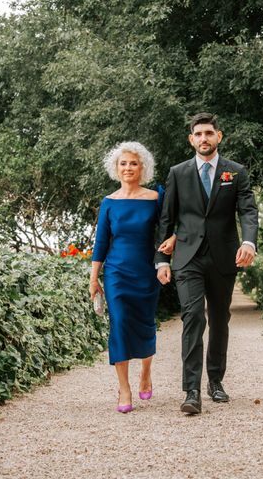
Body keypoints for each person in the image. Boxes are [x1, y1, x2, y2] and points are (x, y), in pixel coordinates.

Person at [155, 113, 258, 414]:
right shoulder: (178, 172)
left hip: (224, 256)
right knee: (193, 317)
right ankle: (191, 391)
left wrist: (249, 242)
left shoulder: (235, 172)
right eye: (198, 134)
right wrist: (162, 259)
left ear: (219, 137)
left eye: (209, 133)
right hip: (187, 256)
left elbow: (248, 211)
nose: (204, 139)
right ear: (191, 139)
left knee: (218, 319)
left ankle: (216, 380)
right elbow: (167, 217)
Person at [90, 142, 175, 413]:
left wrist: (172, 239)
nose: (128, 168)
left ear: (143, 168)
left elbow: (169, 226)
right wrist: (94, 279)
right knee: (120, 324)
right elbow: (101, 242)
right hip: (116, 272)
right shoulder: (109, 202)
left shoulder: (155, 197)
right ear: (116, 168)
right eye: (123, 163)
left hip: (146, 270)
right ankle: (124, 389)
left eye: (133, 163)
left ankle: (146, 372)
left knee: (146, 323)